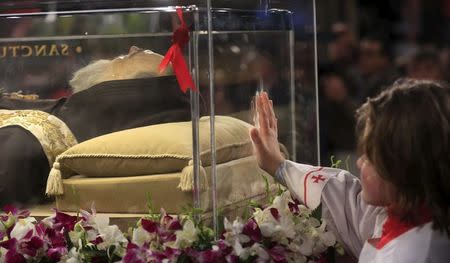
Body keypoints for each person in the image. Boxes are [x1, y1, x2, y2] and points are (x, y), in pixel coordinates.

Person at [249, 79, 450, 262]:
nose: (361, 163)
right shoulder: (410, 209)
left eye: (370, 157)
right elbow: (347, 203)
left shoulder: (412, 255)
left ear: (402, 169)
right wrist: (278, 165)